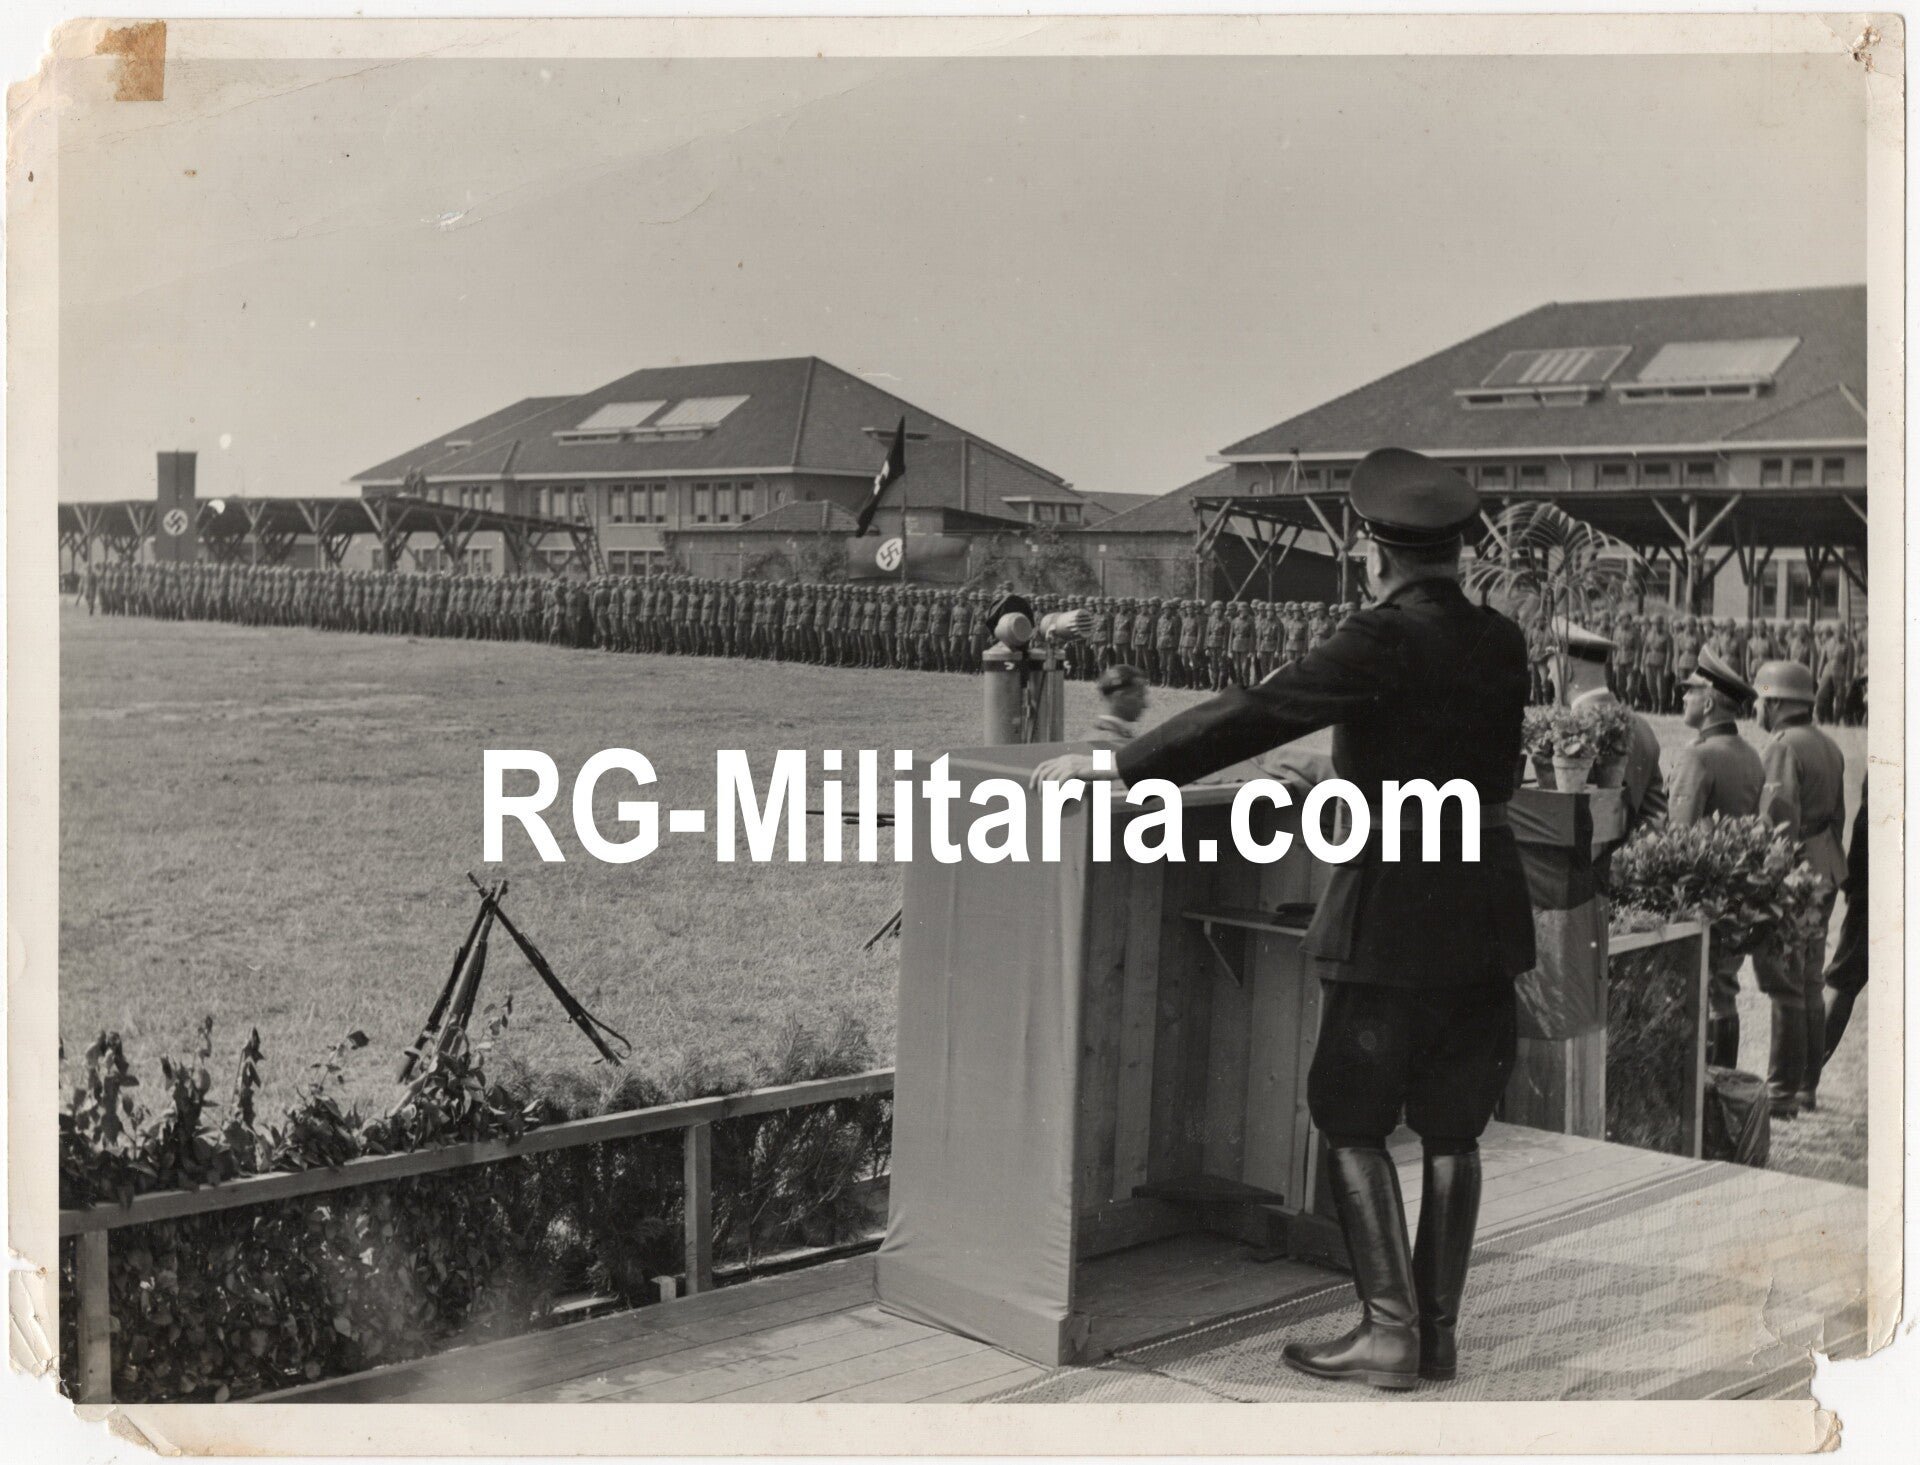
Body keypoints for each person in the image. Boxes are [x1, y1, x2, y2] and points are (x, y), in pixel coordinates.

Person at [1034, 448, 1532, 1392]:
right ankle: (1437, 1331)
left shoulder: (1381, 637)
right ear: (1457, 553)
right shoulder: (1500, 640)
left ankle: (1389, 1335)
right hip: (1488, 902)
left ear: (1372, 552)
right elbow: (1452, 756)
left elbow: (1254, 712)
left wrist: (1115, 770)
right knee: (1454, 1127)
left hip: (1396, 903)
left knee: (1349, 1110)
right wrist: (1341, 773)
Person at [1751, 659, 1848, 1116]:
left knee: (1786, 982)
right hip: (1825, 867)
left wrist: (1770, 877)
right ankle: (1806, 1088)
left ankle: (1781, 1090)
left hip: (1795, 874)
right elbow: (1838, 818)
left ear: (1776, 702)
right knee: (1809, 979)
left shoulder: (1783, 746)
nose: (1756, 707)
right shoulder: (1829, 746)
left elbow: (1776, 820)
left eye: (1761, 699)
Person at [1666, 647, 1765, 1070]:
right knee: (1723, 989)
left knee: (1699, 991)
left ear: (1708, 703)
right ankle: (1722, 1086)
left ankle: (1706, 1090)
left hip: (1699, 894)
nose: (1683, 697)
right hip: (1735, 894)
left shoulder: (1699, 755)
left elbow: (1679, 836)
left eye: (1690, 691)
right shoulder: (1749, 754)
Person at [1555, 624, 1667, 840]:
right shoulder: (1642, 726)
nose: (1550, 677)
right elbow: (1656, 818)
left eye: (1551, 668)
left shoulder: (1572, 732)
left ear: (1567, 671)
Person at [1821, 774, 1869, 1063]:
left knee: (1843, 980)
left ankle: (1805, 1080)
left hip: (1877, 891)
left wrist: (1854, 885)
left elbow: (1866, 827)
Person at [1089, 663, 1149, 743]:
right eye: (1139, 696)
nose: (1145, 705)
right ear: (1119, 697)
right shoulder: (1104, 742)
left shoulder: (1114, 734)